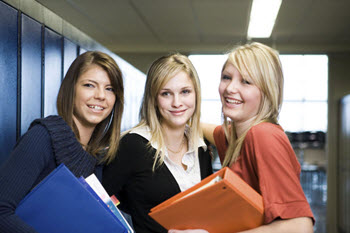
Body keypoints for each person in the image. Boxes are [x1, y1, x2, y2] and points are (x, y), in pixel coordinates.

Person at [170, 42, 314, 233]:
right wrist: (177, 117)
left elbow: (300, 226)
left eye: (246, 81)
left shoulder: (263, 135)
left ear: (267, 91)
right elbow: (211, 131)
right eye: (226, 77)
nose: (230, 88)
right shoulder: (237, 136)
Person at [0, 51, 124, 233]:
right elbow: (1, 211)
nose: (101, 96)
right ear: (71, 89)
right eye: (90, 85)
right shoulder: (42, 137)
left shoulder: (98, 157)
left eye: (110, 88)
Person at [102, 53, 213, 233]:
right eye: (166, 93)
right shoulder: (133, 145)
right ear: (153, 98)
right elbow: (100, 202)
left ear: (196, 95)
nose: (177, 103)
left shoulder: (201, 146)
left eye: (185, 92)